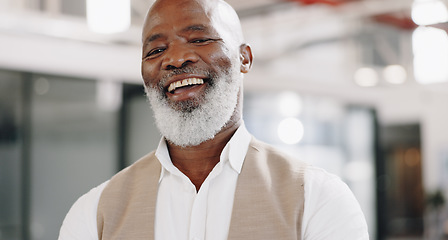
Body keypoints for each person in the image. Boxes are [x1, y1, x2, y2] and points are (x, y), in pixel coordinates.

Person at [59, 0, 369, 239]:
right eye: (156, 50)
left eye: (198, 39)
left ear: (243, 58)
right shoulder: (94, 213)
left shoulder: (317, 198)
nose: (176, 58)